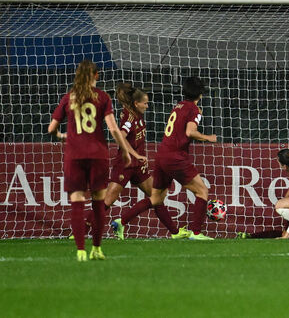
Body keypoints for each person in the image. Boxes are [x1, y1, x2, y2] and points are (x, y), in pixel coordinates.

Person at [48, 59, 131, 262]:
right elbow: (112, 129)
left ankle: (80, 251)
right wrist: (126, 150)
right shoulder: (103, 97)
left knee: (77, 201)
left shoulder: (69, 97)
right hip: (97, 154)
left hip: (74, 155)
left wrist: (61, 136)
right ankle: (96, 248)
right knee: (98, 202)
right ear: (96, 75)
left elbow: (51, 128)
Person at [122, 76, 217, 240]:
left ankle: (121, 221)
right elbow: (190, 132)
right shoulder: (194, 110)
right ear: (200, 94)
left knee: (156, 198)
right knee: (202, 191)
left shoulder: (178, 106)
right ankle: (195, 233)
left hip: (162, 154)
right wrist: (209, 138)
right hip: (176, 157)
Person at [106, 83, 191, 240]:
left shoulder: (137, 115)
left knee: (157, 195)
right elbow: (120, 138)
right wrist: (135, 155)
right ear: (136, 103)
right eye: (145, 103)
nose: (147, 105)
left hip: (138, 166)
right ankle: (83, 228)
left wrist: (139, 157)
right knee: (109, 200)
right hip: (125, 164)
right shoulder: (129, 117)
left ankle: (174, 232)